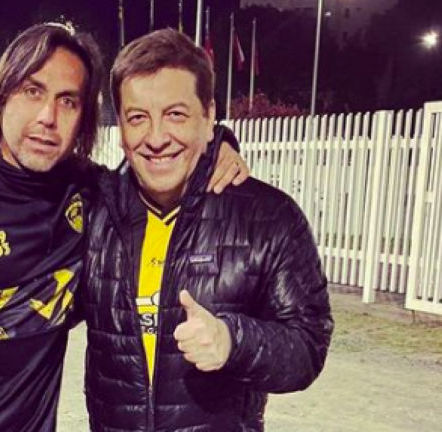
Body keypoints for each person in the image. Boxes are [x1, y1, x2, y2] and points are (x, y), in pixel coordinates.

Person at [0, 23, 247, 432]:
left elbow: (155, 167)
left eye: (68, 101)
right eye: (32, 91)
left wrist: (216, 143)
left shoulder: (85, 189)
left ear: (84, 118)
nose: (48, 117)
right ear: (2, 95)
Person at [80, 28, 334, 431]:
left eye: (176, 115)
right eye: (138, 118)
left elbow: (308, 347)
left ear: (209, 115)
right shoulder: (94, 211)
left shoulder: (269, 216)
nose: (156, 138)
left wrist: (233, 341)